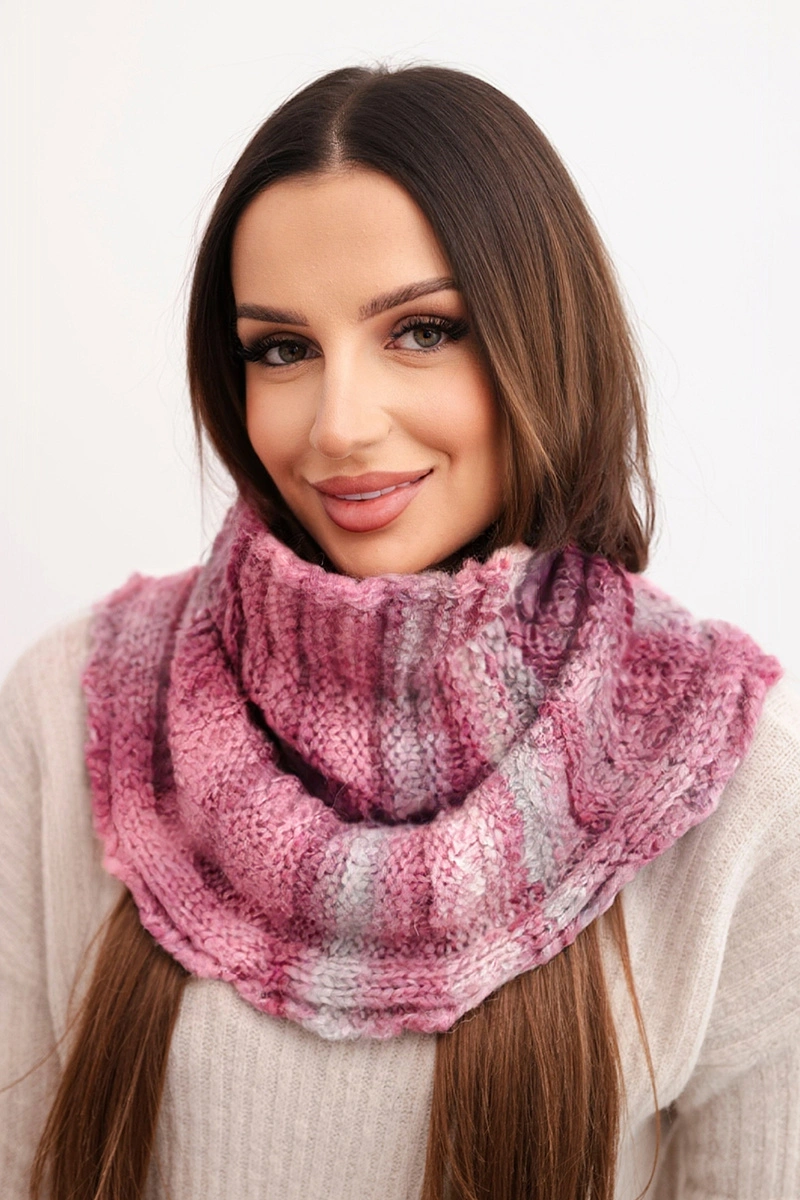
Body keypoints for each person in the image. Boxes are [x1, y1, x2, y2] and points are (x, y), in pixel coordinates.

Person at [1, 64, 798, 1200]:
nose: (339, 424)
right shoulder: (75, 708)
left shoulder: (732, 783)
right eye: (282, 348)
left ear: (542, 338)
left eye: (421, 331)